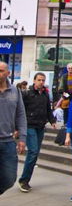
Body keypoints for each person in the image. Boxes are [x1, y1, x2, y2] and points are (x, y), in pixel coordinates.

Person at [18, 72, 56, 193]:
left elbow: (48, 109)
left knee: (35, 153)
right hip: (29, 125)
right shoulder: (27, 93)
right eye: (39, 80)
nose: (41, 82)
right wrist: (17, 127)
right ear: (34, 81)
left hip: (40, 126)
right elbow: (19, 110)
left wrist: (52, 121)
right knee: (33, 151)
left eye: (43, 80)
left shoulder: (45, 94)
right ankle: (23, 180)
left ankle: (26, 180)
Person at [0, 61, 26, 196]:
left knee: (10, 179)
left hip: (8, 141)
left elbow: (21, 115)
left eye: (1, 71)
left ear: (8, 73)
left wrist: (22, 137)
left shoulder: (15, 91)